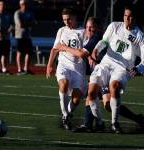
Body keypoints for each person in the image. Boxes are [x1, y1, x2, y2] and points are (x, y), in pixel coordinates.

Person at [81, 5, 143, 134]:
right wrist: (97, 48)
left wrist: (138, 68)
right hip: (106, 64)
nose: (127, 19)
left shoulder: (140, 36)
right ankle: (99, 122)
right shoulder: (114, 26)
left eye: (130, 16)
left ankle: (115, 124)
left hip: (122, 68)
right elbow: (104, 41)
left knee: (114, 86)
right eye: (126, 16)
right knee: (91, 93)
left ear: (135, 18)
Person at [46, 7, 90, 130]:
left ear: (75, 17)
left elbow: (83, 52)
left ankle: (68, 113)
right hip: (63, 64)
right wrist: (49, 65)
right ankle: (65, 115)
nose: (66, 22)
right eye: (64, 20)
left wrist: (65, 47)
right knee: (63, 84)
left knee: (76, 99)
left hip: (78, 68)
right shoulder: (61, 31)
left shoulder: (83, 32)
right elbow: (55, 49)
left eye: (69, 19)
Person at [14, 0, 35, 75]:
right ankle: (19, 69)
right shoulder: (17, 13)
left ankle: (26, 69)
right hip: (19, 36)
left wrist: (26, 23)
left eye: (25, 3)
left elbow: (34, 23)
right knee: (19, 52)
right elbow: (20, 25)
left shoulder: (30, 13)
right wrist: (28, 24)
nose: (24, 5)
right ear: (20, 5)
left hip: (28, 36)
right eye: (22, 4)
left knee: (28, 52)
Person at [0, 0, 13, 75]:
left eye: (3, 5)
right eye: (1, 5)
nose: (2, 6)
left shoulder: (7, 14)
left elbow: (12, 23)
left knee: (4, 54)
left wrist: (10, 29)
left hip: (6, 37)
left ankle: (4, 69)